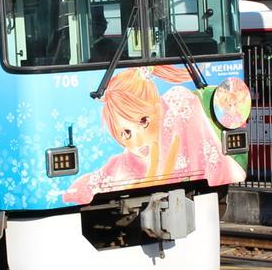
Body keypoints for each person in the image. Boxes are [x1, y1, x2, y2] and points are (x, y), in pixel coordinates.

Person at [63, 66, 245, 204]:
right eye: (125, 133)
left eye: (143, 121)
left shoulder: (181, 105)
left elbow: (223, 166)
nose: (137, 140)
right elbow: (78, 190)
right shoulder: (119, 166)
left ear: (158, 108)